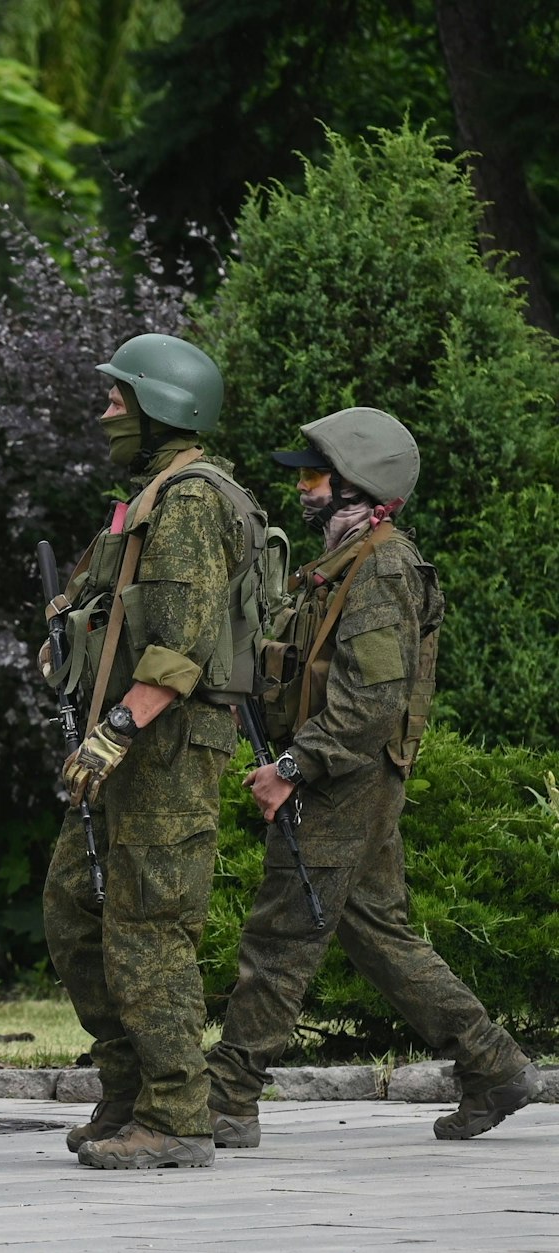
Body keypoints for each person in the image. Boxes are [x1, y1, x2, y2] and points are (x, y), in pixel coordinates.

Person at [206, 407, 540, 1147]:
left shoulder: (383, 566)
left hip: (341, 778)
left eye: (316, 475)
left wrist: (294, 766)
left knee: (281, 934)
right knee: (377, 934)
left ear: (359, 485)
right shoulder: (343, 562)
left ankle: (227, 1097)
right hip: (344, 774)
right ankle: (493, 1064)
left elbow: (368, 701)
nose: (303, 487)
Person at [41, 333, 253, 1170]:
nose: (105, 414)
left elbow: (184, 647)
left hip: (162, 745)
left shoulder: (195, 501)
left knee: (149, 925)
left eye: (118, 399)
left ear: (164, 407)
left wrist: (119, 727)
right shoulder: (152, 498)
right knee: (73, 911)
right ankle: (128, 1088)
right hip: (126, 749)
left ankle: (177, 1114)